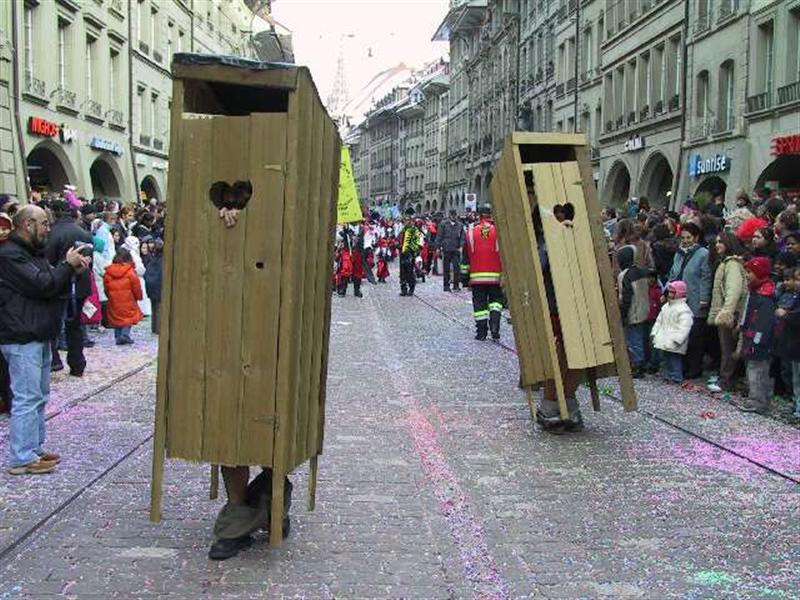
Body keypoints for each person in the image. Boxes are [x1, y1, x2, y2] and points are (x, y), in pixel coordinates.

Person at [0, 205, 90, 475]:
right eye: (44, 224)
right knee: (27, 398)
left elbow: (50, 280)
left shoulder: (30, 253)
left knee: (38, 396)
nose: (48, 229)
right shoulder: (10, 255)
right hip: (22, 334)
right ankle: (22, 457)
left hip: (37, 332)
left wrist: (71, 270)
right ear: (27, 224)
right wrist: (66, 265)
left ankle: (34, 448)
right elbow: (43, 284)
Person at [44, 200, 93, 377]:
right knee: (75, 324)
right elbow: (89, 261)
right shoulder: (83, 232)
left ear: (54, 212)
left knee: (52, 324)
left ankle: (55, 360)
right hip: (80, 283)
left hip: (59, 283)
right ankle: (77, 362)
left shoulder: (52, 233)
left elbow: (47, 261)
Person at [669, 222, 712, 380]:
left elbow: (706, 277)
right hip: (678, 299)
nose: (685, 241)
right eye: (683, 237)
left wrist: (704, 298)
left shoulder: (703, 254)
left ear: (696, 237)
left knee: (694, 336)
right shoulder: (679, 253)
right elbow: (673, 273)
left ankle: (694, 368)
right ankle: (682, 367)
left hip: (694, 298)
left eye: (688, 237)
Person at [706, 232, 747, 393]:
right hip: (727, 310)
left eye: (720, 242)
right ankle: (726, 379)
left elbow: (733, 290)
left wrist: (727, 312)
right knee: (727, 348)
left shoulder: (732, 265)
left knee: (728, 348)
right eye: (716, 242)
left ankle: (726, 381)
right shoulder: (727, 263)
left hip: (730, 312)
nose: (717, 245)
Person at [739, 257, 776, 414]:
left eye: (750, 272)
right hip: (750, 336)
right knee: (752, 369)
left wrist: (757, 341)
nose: (747, 275)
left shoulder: (765, 296)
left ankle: (758, 401)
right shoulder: (754, 292)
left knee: (758, 370)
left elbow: (764, 322)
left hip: (759, 341)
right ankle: (758, 398)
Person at [464, 203, 503, 341]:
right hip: (496, 276)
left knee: (480, 305)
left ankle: (481, 332)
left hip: (477, 277)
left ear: (478, 215)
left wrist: (464, 277)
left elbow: (465, 257)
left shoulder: (470, 231)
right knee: (496, 302)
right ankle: (495, 325)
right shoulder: (499, 230)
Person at [617, 245, 650, 377]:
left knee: (634, 340)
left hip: (633, 311)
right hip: (644, 309)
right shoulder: (641, 271)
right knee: (642, 338)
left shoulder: (624, 275)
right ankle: (643, 363)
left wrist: (622, 314)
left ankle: (637, 366)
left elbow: (626, 296)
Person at [651, 280, 694, 383]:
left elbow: (685, 326)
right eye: (669, 292)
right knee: (666, 358)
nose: (669, 294)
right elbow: (659, 321)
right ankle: (668, 375)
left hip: (674, 340)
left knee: (674, 359)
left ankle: (676, 377)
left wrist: (678, 339)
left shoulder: (684, 309)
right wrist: (655, 332)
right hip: (664, 338)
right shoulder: (666, 306)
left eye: (672, 292)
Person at [774, 267, 800, 419]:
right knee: (795, 376)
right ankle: (796, 404)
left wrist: (785, 314)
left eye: (797, 279)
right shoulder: (796, 296)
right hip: (793, 343)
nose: (795, 283)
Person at [103, 248, 143, 345]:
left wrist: (109, 296)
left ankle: (118, 337)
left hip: (114, 299)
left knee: (116, 317)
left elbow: (106, 287)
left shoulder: (108, 272)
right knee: (128, 317)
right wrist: (138, 297)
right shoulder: (130, 272)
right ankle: (124, 335)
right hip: (128, 299)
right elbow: (136, 286)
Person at [435, 209, 465, 292]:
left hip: (456, 248)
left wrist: (461, 246)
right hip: (446, 248)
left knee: (456, 267)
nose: (453, 217)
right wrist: (438, 247)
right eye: (452, 215)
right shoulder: (443, 224)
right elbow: (439, 236)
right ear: (449, 216)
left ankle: (456, 285)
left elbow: (462, 237)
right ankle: (446, 285)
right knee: (446, 268)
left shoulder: (460, 225)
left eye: (454, 215)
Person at [398, 208, 422, 297]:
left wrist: (414, 250)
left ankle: (411, 288)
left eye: (408, 220)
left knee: (410, 272)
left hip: (410, 253)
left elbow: (418, 241)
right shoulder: (403, 230)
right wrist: (397, 244)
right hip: (402, 253)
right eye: (405, 220)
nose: (406, 221)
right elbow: (399, 239)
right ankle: (403, 289)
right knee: (402, 272)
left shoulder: (414, 230)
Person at [144, 239, 164, 334]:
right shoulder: (162, 260)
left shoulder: (152, 259)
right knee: (159, 308)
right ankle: (158, 328)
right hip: (159, 285)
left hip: (151, 286)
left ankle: (154, 327)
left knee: (154, 307)